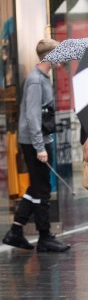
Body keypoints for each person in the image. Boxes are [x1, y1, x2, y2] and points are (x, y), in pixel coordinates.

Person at [2, 38, 70, 253]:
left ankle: (16, 230)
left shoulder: (42, 78)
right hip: (34, 143)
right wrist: (40, 147)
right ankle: (44, 237)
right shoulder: (35, 80)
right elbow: (32, 117)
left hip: (40, 140)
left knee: (37, 187)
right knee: (42, 190)